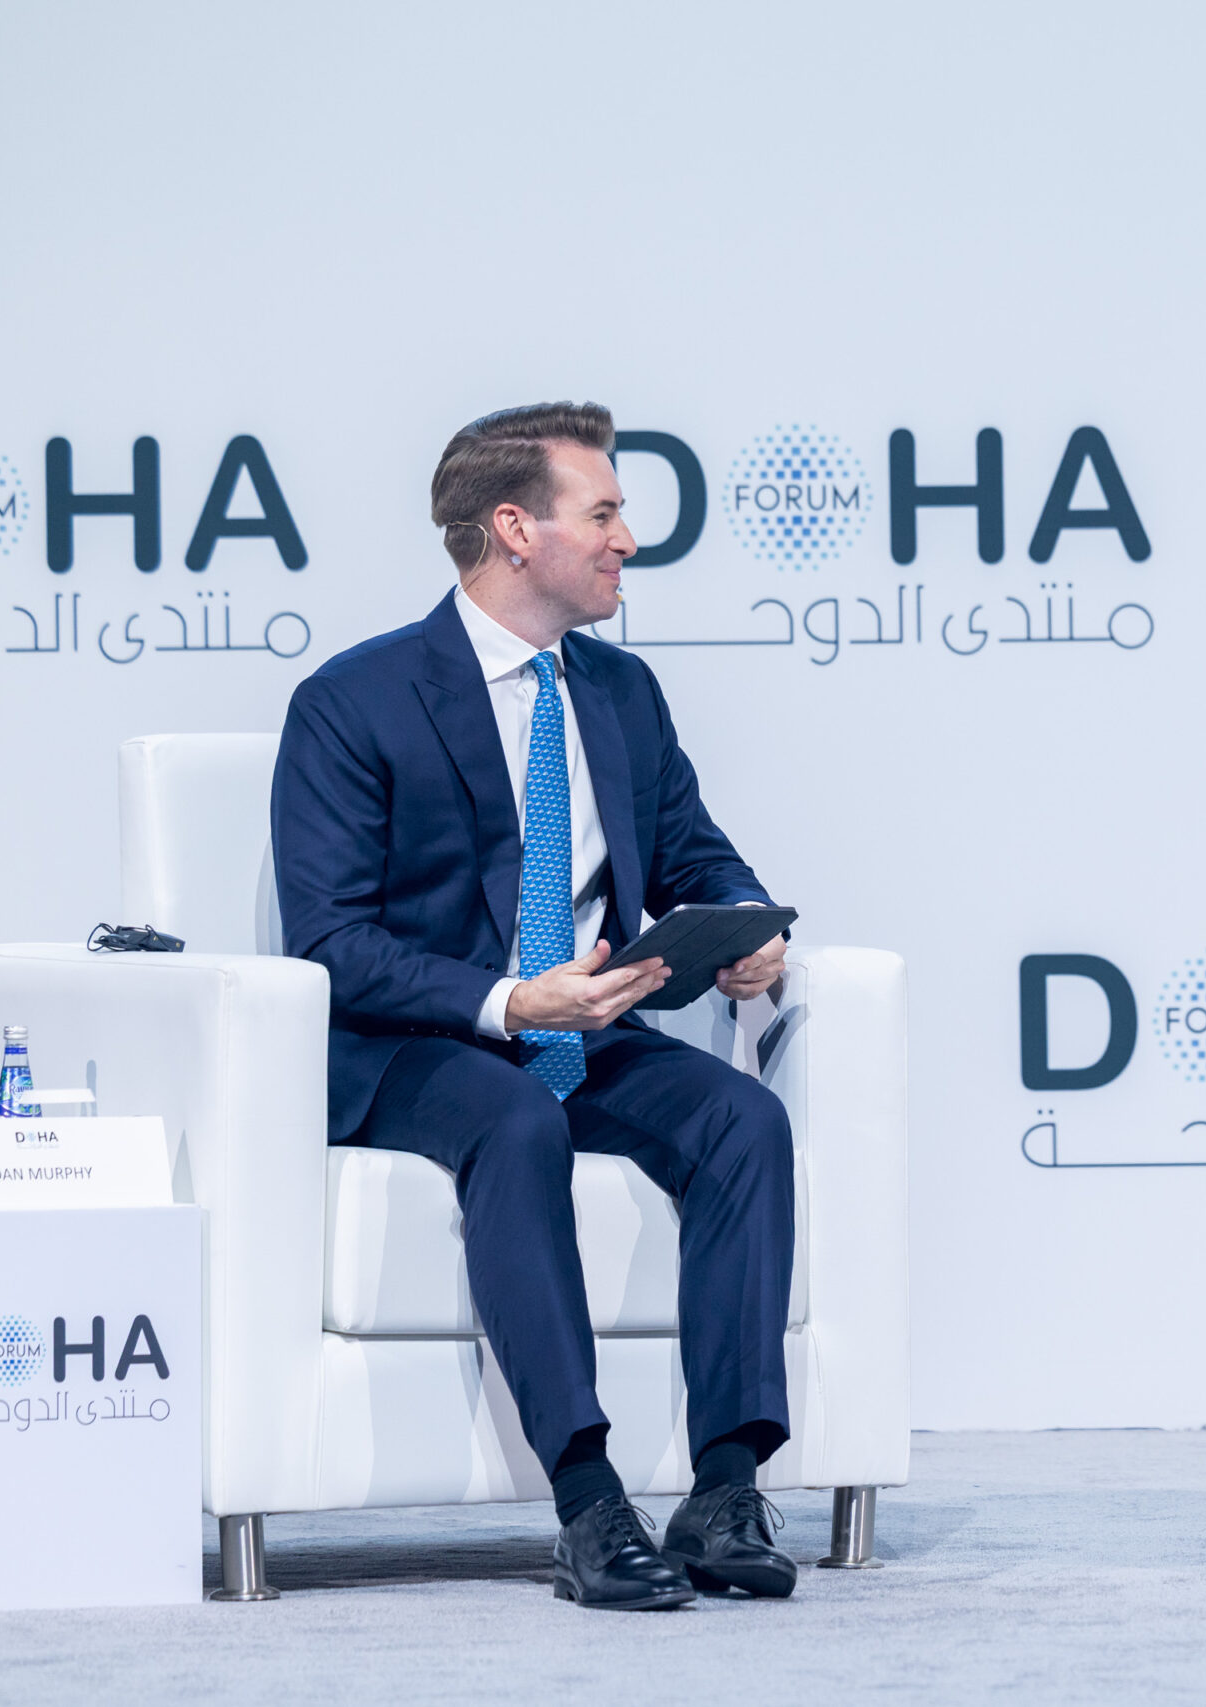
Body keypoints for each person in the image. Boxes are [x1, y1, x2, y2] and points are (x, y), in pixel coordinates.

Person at [274, 403, 797, 1611]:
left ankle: (725, 1490)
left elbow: (696, 856)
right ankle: (588, 1502)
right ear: (515, 529)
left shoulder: (621, 691)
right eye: (602, 514)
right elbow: (331, 943)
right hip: (418, 1048)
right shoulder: (354, 701)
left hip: (587, 1034)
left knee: (743, 1121)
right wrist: (511, 1001)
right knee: (515, 1123)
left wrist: (744, 926)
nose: (627, 540)